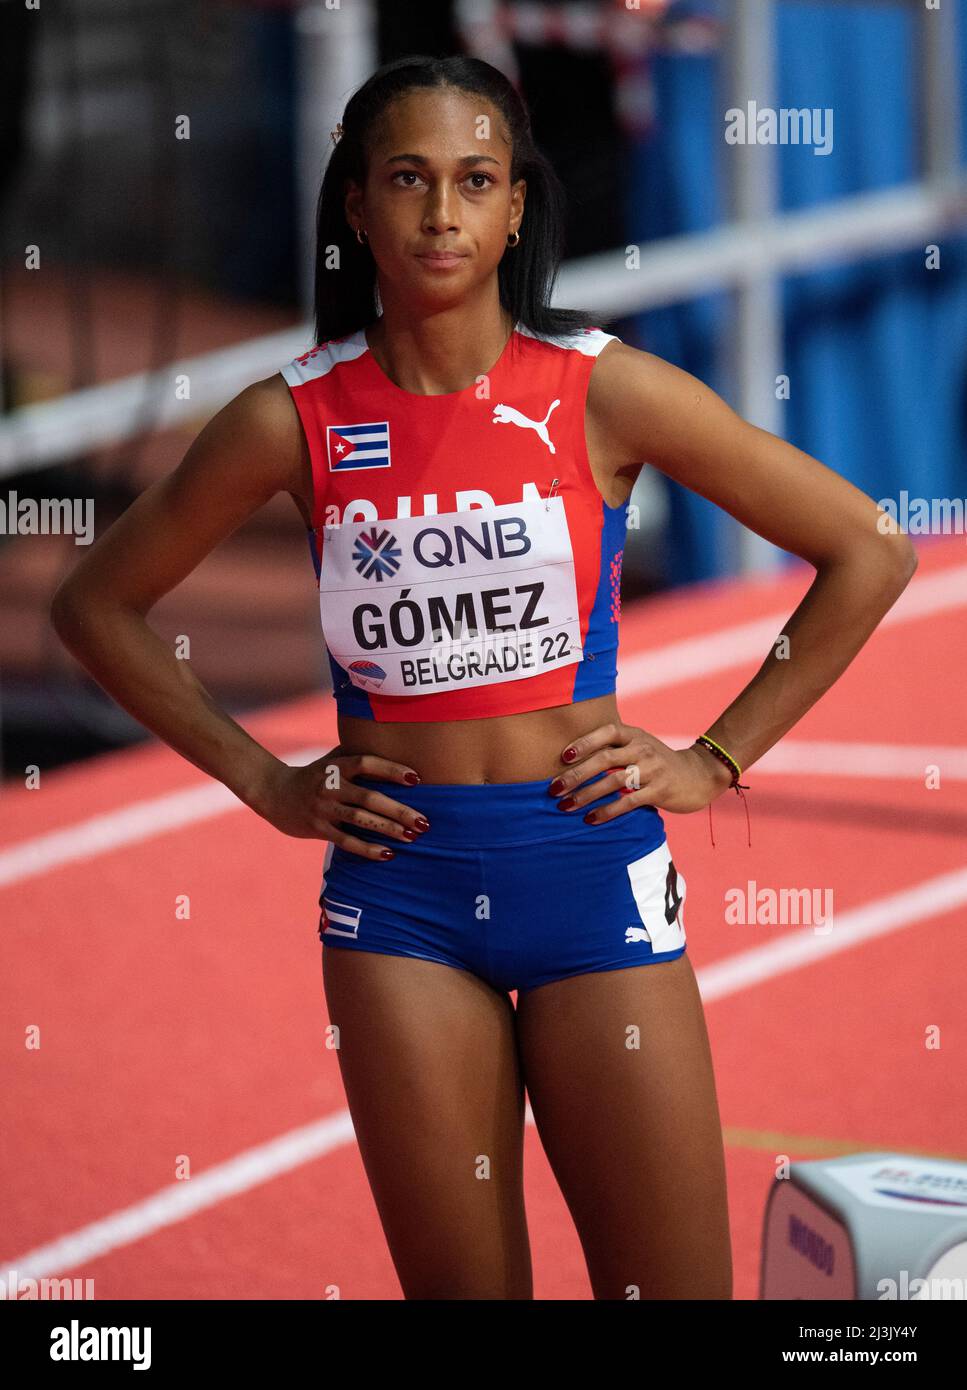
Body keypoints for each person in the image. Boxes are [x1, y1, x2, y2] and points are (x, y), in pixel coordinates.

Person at [50, 54, 917, 1301]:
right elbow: (97, 605)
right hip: (401, 910)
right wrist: (264, 781)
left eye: (474, 181)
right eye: (408, 180)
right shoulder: (289, 418)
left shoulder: (599, 392)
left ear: (517, 208)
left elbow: (867, 548)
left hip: (590, 884)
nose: (442, 214)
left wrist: (713, 757)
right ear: (356, 204)